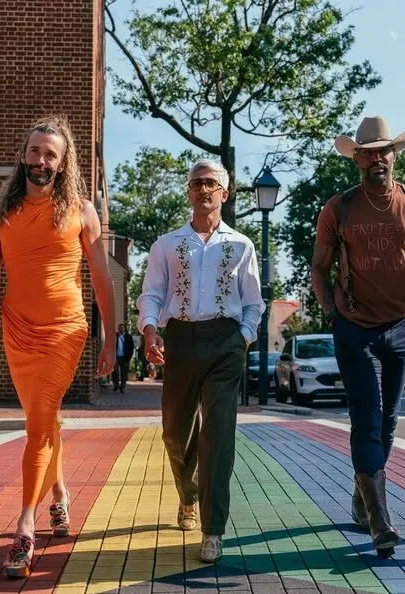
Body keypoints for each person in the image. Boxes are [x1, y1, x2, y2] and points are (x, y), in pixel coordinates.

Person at [0, 116, 117, 578]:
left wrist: (109, 335)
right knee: (44, 418)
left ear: (63, 161)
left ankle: (24, 526)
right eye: (35, 152)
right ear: (24, 155)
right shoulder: (1, 209)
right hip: (16, 328)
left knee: (37, 425)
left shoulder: (80, 208)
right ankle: (58, 495)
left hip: (64, 329)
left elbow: (100, 276)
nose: (40, 161)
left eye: (50, 154)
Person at [310, 116, 405, 557]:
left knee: (388, 420)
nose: (377, 159)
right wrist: (334, 315)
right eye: (367, 152)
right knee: (366, 419)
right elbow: (319, 267)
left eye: (383, 151)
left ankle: (362, 495)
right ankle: (380, 523)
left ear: (394, 155)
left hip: (403, 327)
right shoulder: (340, 207)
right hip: (354, 329)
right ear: (356, 159)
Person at [137, 159, 263, 563]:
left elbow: (254, 302)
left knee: (219, 437)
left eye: (211, 183)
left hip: (225, 342)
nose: (203, 189)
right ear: (188, 192)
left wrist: (242, 338)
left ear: (224, 194)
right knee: (175, 432)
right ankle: (187, 495)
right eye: (196, 183)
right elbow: (152, 294)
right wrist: (150, 329)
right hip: (181, 342)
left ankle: (213, 529)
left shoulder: (242, 245)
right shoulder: (167, 245)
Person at [112, 323, 135, 392]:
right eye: (120, 328)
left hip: (125, 357)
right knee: (115, 371)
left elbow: (131, 348)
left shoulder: (128, 337)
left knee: (123, 373)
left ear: (124, 329)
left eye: (123, 328)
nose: (121, 329)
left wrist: (129, 357)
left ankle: (122, 387)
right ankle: (116, 385)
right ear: (118, 329)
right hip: (116, 357)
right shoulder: (115, 336)